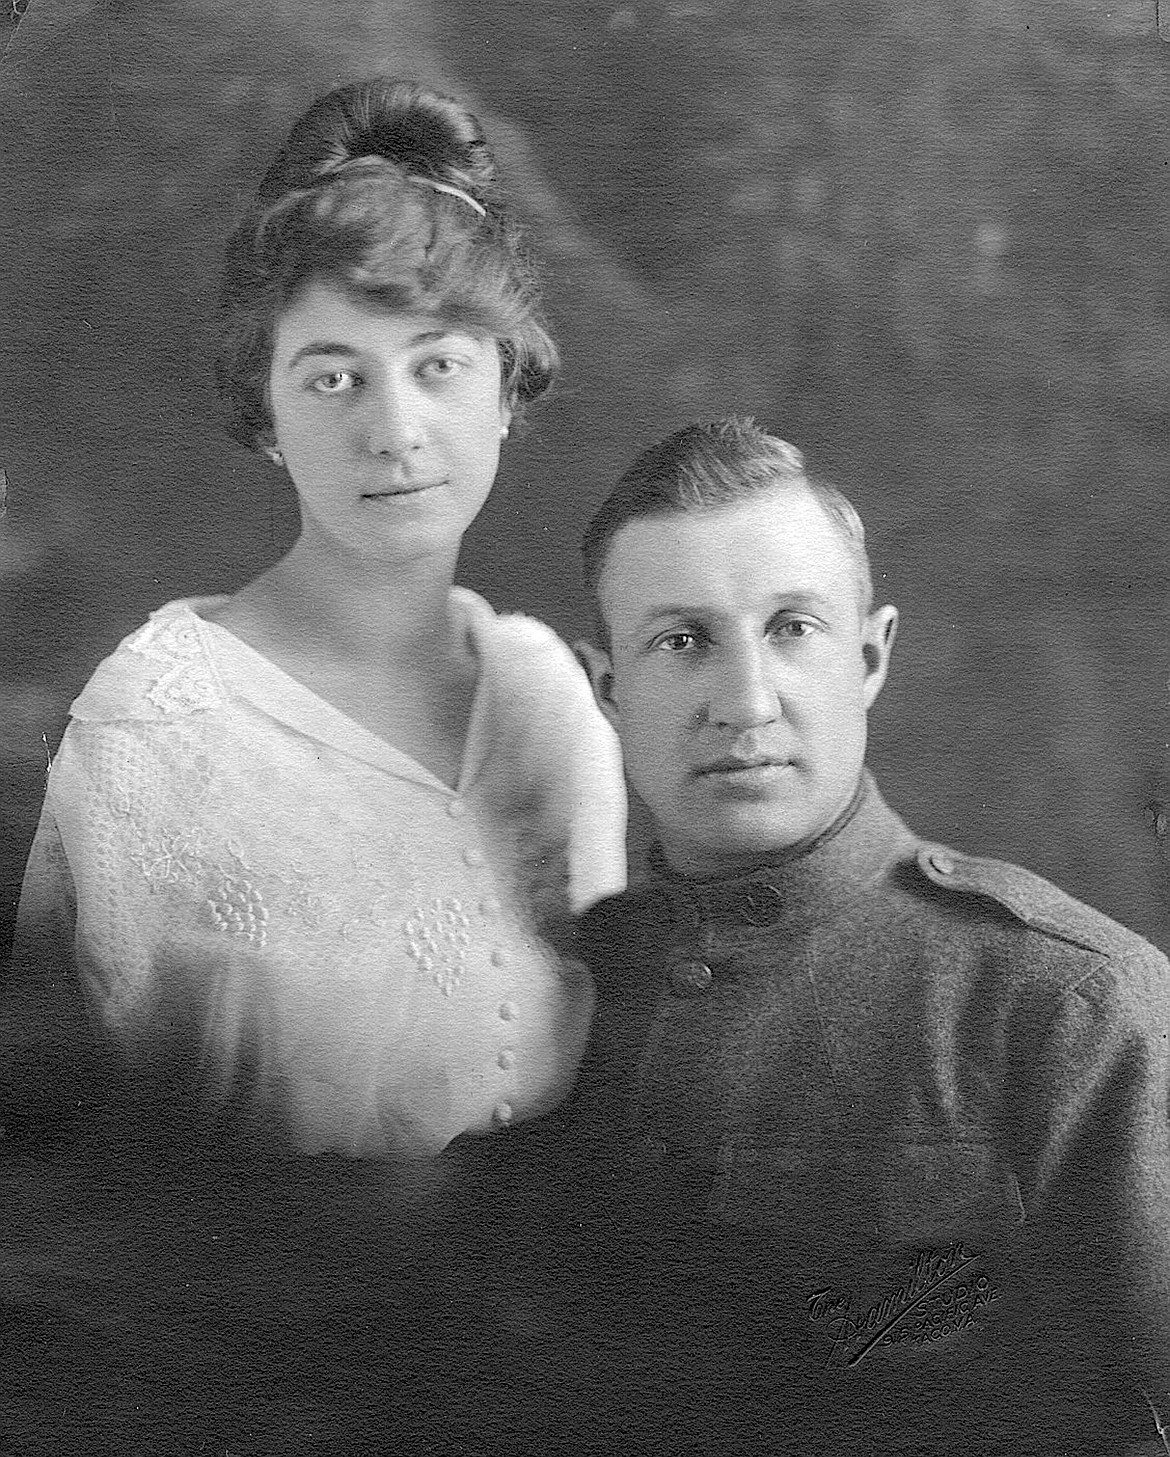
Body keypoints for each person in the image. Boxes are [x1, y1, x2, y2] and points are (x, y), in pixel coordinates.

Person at [3, 77, 627, 1159]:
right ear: (266, 415)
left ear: (507, 388)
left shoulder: (543, 690)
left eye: (438, 365)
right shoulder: (159, 719)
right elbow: (77, 1146)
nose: (396, 430)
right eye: (335, 378)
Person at [555, 416, 1170, 1456]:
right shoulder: (548, 989)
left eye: (793, 627)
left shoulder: (1065, 1001)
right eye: (680, 640)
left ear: (873, 654)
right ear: (608, 686)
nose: (744, 702)